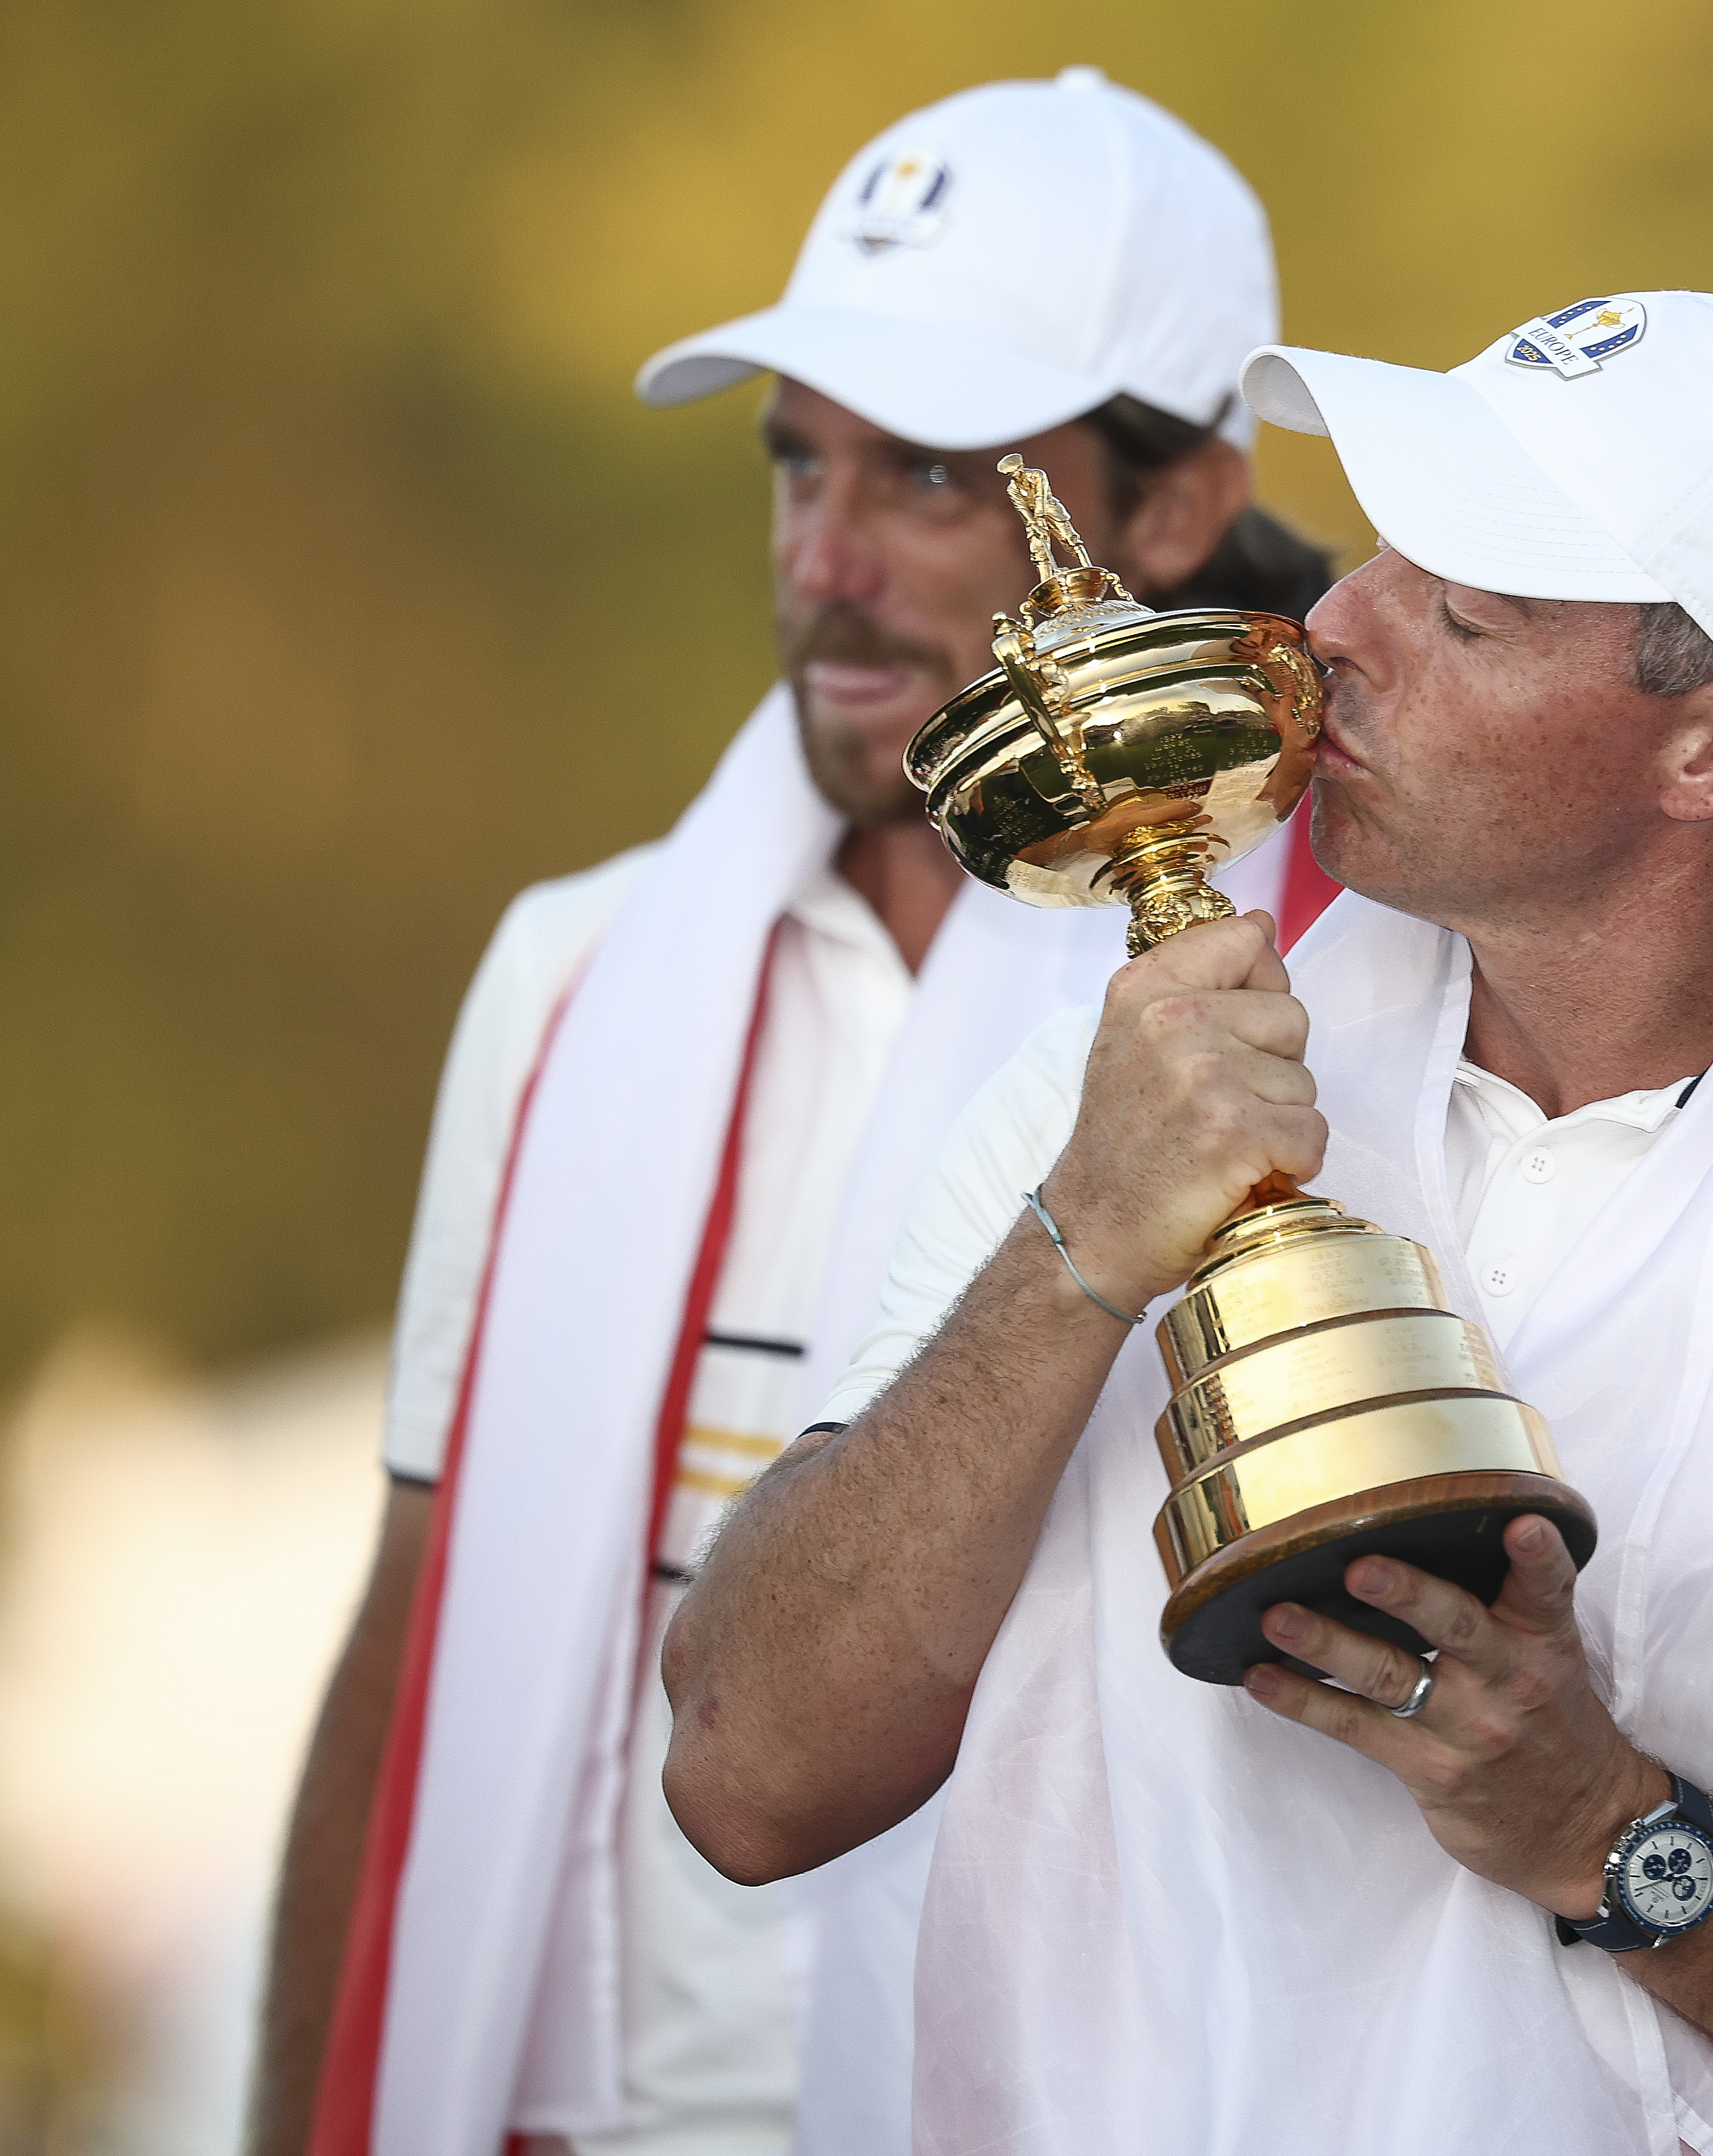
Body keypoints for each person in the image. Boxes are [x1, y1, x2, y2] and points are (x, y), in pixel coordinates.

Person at [659, 290, 1713, 2155]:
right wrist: (1081, 1252)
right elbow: (744, 1772)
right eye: (1374, 552)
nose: (1330, 627)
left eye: (1463, 611)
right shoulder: (1117, 1091)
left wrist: (1620, 1836)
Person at [250, 70, 1335, 2156]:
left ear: (1188, 502)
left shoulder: (1342, 982)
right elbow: (412, 1644)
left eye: (929, 475)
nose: (826, 562)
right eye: (795, 464)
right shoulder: (574, 983)